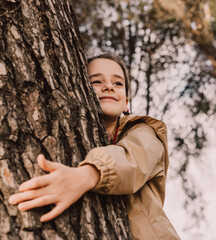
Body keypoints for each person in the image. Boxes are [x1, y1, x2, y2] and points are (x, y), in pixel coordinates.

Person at [9, 53, 180, 239]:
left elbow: (135, 158)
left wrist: (88, 174)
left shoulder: (144, 131)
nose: (108, 86)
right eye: (96, 81)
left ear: (126, 103)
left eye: (118, 83)